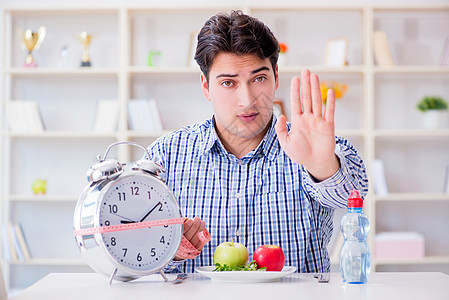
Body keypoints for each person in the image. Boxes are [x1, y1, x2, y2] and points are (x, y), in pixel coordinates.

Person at [146, 10, 369, 273]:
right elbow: (133, 248)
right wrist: (173, 247)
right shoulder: (165, 155)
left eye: (259, 78)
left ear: (276, 76)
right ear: (206, 86)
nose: (247, 100)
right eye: (228, 83)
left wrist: (322, 168)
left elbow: (351, 198)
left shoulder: (310, 145)